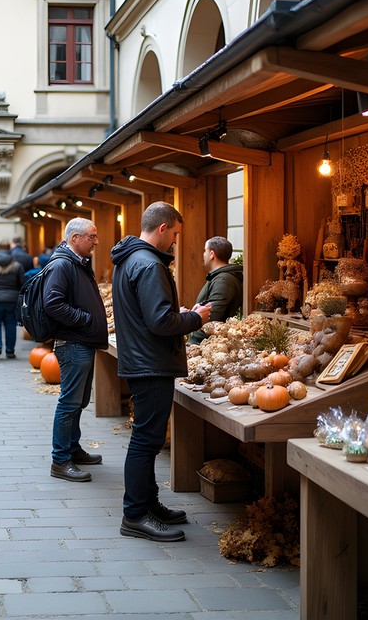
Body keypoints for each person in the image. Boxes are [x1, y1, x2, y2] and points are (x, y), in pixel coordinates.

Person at [110, 201, 211, 542]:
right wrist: (195, 318)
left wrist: (177, 312)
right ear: (164, 228)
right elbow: (160, 321)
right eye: (176, 235)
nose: (176, 243)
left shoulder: (129, 259)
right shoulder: (149, 264)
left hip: (142, 360)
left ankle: (148, 503)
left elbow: (149, 314)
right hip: (151, 363)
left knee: (148, 440)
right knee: (145, 441)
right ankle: (135, 515)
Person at [44, 218, 109, 483]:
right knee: (69, 402)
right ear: (74, 239)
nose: (96, 241)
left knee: (79, 401)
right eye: (91, 236)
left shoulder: (76, 262)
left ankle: (73, 449)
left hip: (82, 342)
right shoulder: (62, 264)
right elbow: (53, 303)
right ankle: (60, 460)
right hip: (73, 343)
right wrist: (85, 319)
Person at [187, 236, 243, 345]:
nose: (203, 254)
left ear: (212, 254)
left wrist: (192, 342)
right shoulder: (220, 278)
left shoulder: (223, 280)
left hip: (208, 345)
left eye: (205, 251)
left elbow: (211, 318)